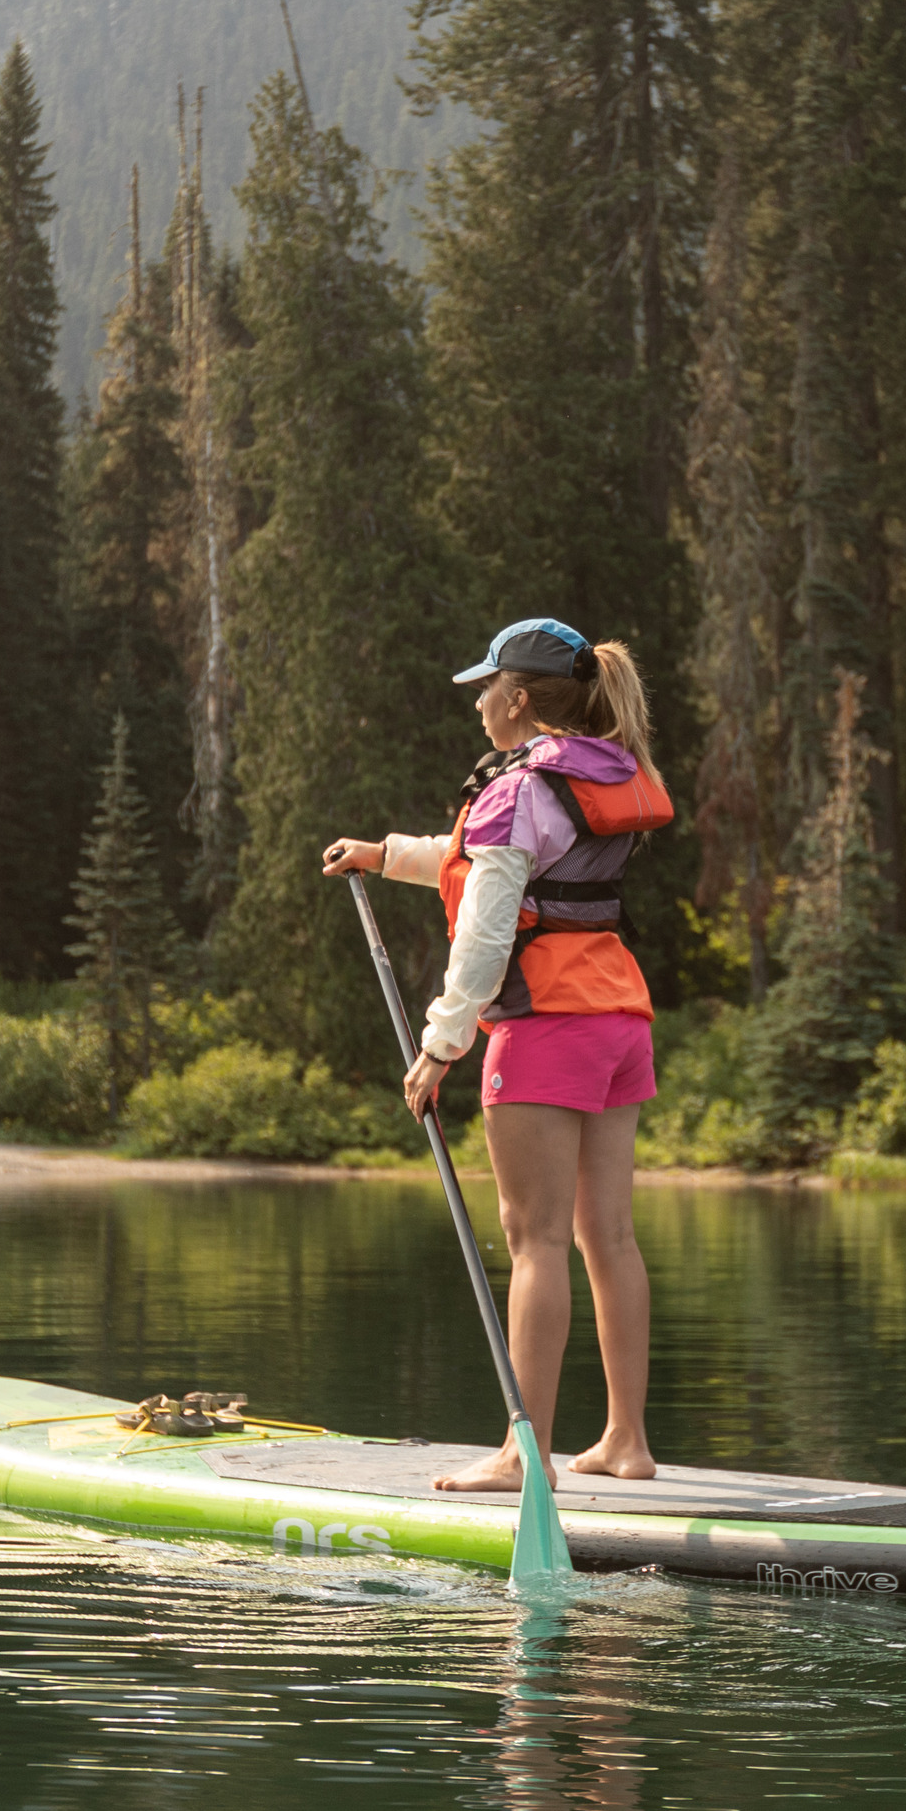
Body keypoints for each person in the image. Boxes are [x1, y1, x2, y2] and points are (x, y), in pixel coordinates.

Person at [324, 617, 671, 1491]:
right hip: (620, 1018)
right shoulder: (606, 769)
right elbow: (481, 864)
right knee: (610, 1236)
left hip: (545, 1024)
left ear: (517, 698)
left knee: (536, 1240)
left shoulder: (517, 792)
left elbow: (484, 930)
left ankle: (527, 1452)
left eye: (487, 687)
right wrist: (383, 853)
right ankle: (626, 1441)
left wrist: (440, 1045)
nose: (479, 701)